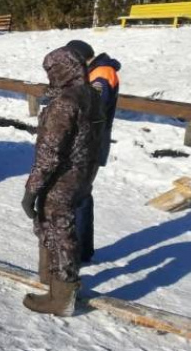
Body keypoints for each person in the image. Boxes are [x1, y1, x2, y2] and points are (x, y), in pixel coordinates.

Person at [20, 46, 104, 316]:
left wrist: (32, 189)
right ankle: (52, 279)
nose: (49, 75)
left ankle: (61, 296)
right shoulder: (90, 94)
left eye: (52, 69)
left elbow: (50, 151)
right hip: (82, 173)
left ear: (64, 68)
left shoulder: (65, 102)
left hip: (62, 177)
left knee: (59, 230)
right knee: (55, 226)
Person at [66, 40, 121, 263]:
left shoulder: (102, 73)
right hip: (89, 143)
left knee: (77, 196)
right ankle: (83, 249)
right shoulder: (96, 71)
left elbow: (93, 106)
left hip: (90, 144)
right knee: (81, 194)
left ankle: (77, 250)